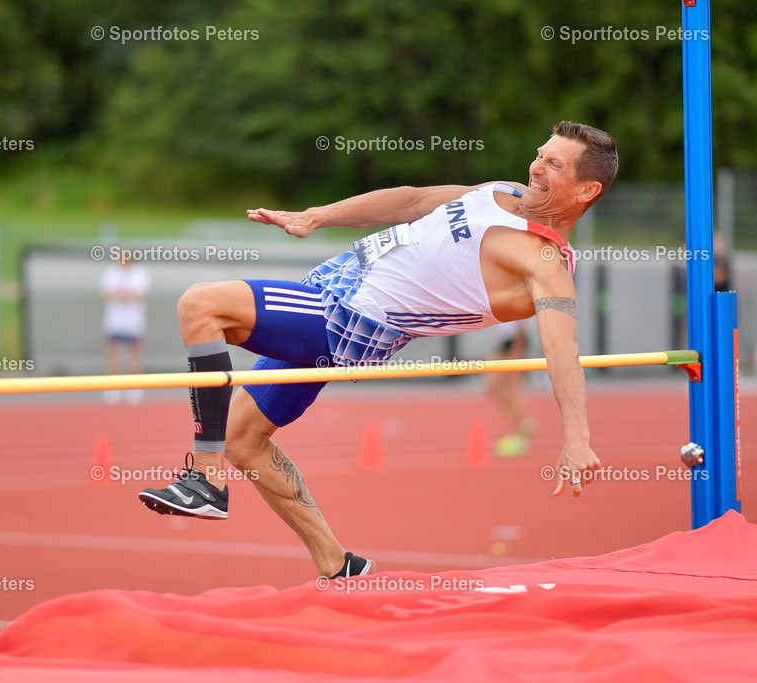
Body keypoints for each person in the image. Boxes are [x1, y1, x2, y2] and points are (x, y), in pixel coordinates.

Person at [139, 121, 617, 578]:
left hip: (345, 320)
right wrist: (316, 217)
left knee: (200, 306)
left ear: (586, 190)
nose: (536, 167)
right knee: (243, 441)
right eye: (539, 155)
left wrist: (576, 439)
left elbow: (562, 351)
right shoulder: (503, 192)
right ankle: (336, 562)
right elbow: (410, 201)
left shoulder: (546, 264)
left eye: (554, 165)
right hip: (332, 289)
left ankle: (206, 479)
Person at [100, 253, 150, 404]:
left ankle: (134, 387)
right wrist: (124, 295)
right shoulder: (111, 273)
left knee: (134, 354)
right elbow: (108, 293)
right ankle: (112, 387)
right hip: (114, 321)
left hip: (133, 322)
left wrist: (122, 294)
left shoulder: (140, 274)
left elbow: (139, 295)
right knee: (113, 353)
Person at [487, 320, 539, 457]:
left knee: (512, 389)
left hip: (515, 342)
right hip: (504, 342)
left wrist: (519, 347)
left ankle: (518, 437)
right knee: (492, 387)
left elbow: (522, 317)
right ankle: (524, 422)